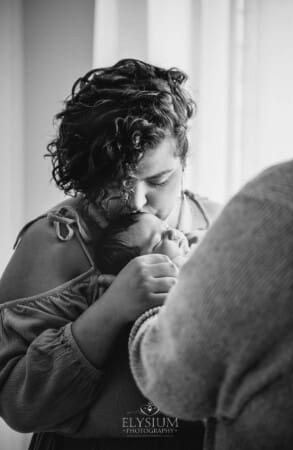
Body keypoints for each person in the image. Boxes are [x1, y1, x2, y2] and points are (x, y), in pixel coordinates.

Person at [0, 58, 220, 450]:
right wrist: (110, 310)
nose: (137, 200)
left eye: (158, 179)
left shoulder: (222, 228)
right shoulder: (50, 243)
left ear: (183, 158)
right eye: (115, 182)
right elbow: (18, 405)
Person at [129, 157, 293, 450]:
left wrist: (157, 310)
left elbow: (173, 378)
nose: (137, 201)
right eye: (156, 242)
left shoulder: (275, 203)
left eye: (159, 180)